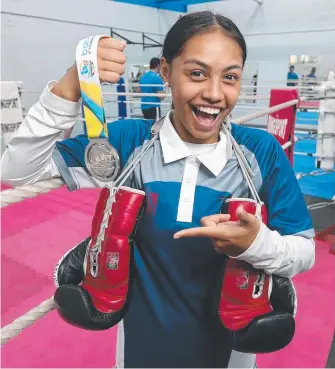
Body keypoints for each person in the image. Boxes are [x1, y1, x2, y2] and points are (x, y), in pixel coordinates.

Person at [1, 11, 315, 368]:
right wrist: (74, 83)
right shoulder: (129, 143)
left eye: (230, 77)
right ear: (166, 71)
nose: (214, 94)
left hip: (229, 357)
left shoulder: (260, 152)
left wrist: (257, 245)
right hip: (139, 352)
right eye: (197, 73)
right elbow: (19, 171)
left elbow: (304, 252)